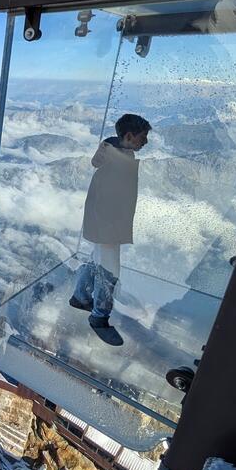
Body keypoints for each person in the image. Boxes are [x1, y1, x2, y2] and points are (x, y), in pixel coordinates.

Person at [69, 113, 151, 346]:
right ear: (129, 136)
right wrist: (111, 230)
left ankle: (80, 296)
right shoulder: (119, 161)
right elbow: (111, 198)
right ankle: (99, 318)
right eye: (142, 137)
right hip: (108, 225)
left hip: (102, 223)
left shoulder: (117, 154)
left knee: (98, 260)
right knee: (110, 271)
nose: (145, 141)